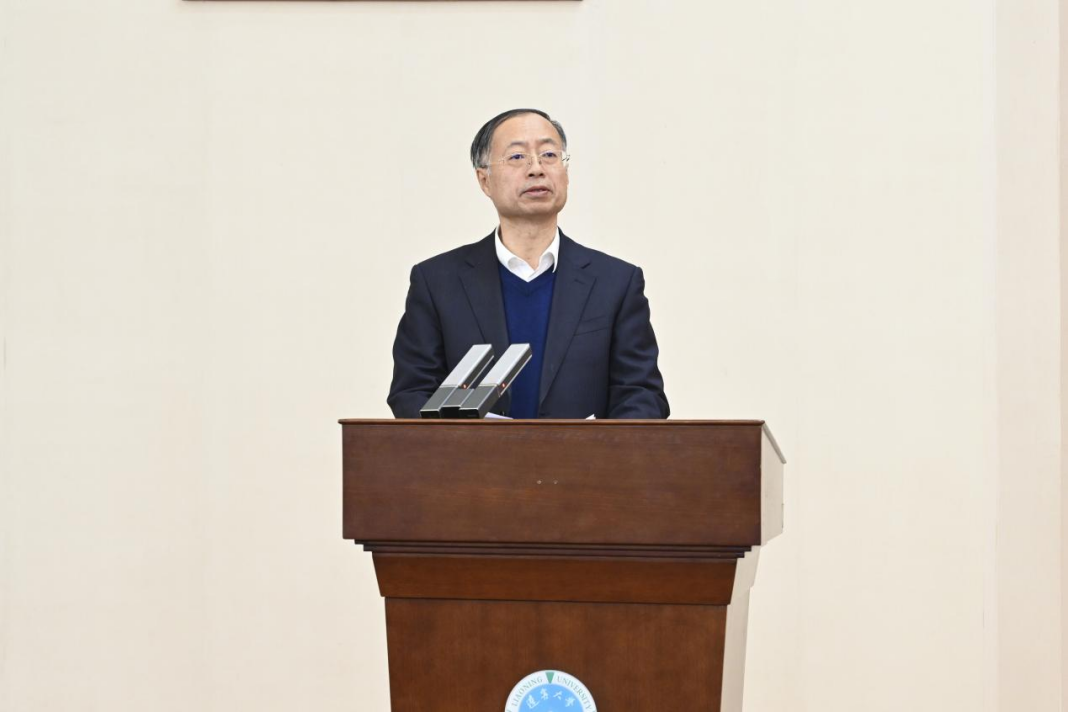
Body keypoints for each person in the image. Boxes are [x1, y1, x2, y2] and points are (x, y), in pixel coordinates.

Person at [387, 108, 669, 419]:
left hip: (586, 453)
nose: (536, 169)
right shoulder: (437, 282)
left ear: (565, 173)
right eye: (517, 157)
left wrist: (594, 446)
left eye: (549, 155)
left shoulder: (616, 283)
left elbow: (642, 395)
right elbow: (413, 393)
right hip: (472, 454)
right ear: (484, 180)